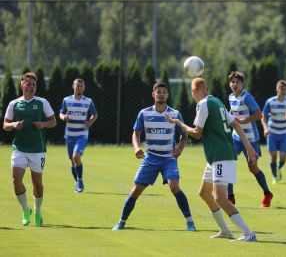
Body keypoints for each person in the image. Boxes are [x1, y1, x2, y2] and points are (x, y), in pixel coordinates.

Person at [166, 77, 257, 241]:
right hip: (216, 156)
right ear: (206, 88)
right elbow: (236, 124)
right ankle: (225, 231)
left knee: (219, 197)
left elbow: (197, 133)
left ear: (195, 91)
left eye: (192, 92)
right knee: (204, 192)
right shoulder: (217, 101)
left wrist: (179, 122)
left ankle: (248, 233)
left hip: (221, 155)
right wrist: (249, 147)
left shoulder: (203, 104)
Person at [112, 82, 196, 231]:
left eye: (164, 92)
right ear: (153, 94)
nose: (161, 94)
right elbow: (136, 133)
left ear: (168, 95)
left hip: (168, 159)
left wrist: (180, 149)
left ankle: (190, 222)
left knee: (174, 186)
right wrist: (137, 147)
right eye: (159, 92)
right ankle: (121, 222)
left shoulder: (175, 114)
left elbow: (184, 135)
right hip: (150, 158)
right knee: (136, 190)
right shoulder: (144, 113)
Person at [3, 72, 57, 226]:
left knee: (37, 183)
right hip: (19, 148)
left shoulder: (42, 102)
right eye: (29, 84)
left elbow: (53, 121)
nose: (32, 87)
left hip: (37, 149)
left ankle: (38, 212)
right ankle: (26, 210)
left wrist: (43, 124)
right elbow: (5, 125)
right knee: (16, 180)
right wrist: (14, 125)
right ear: (22, 85)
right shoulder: (14, 104)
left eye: (34, 84)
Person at [227, 71, 273, 207]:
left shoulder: (247, 97)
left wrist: (244, 120)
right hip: (235, 137)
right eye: (232, 82)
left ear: (242, 84)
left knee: (253, 168)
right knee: (228, 163)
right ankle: (230, 197)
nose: (234, 84)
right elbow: (233, 112)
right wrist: (227, 116)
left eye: (237, 82)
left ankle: (267, 193)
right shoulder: (230, 97)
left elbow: (259, 114)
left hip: (251, 138)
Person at [59, 78, 98, 192]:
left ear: (84, 87)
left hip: (82, 134)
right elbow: (61, 113)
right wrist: (64, 117)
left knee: (76, 157)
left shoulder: (88, 101)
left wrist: (89, 122)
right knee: (72, 160)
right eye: (77, 85)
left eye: (81, 85)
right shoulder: (66, 100)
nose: (79, 87)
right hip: (69, 134)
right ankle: (78, 183)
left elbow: (95, 115)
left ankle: (80, 182)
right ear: (73, 86)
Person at [261, 80, 286, 184]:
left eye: (285, 89)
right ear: (277, 89)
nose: (283, 91)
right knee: (273, 156)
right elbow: (263, 116)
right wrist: (265, 128)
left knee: (283, 157)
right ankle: (274, 176)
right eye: (281, 89)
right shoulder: (270, 101)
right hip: (272, 133)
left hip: (285, 133)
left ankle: (277, 168)